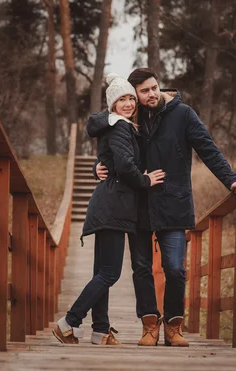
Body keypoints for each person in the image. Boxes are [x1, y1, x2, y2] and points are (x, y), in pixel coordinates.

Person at [94, 68, 236, 347]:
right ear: (135, 96)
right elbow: (110, 147)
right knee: (141, 268)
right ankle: (149, 325)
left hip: (174, 203)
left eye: (154, 88)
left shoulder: (183, 114)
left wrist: (232, 180)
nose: (151, 94)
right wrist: (98, 167)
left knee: (175, 269)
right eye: (144, 91)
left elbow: (207, 149)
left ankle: (174, 326)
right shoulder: (130, 118)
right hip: (138, 205)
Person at [52, 73, 165, 345]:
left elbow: (109, 160)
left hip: (108, 203)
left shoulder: (117, 126)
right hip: (114, 206)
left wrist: (98, 166)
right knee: (110, 273)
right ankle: (70, 321)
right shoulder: (120, 127)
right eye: (121, 99)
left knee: (102, 272)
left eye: (130, 98)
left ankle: (100, 330)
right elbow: (125, 166)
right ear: (111, 104)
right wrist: (146, 180)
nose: (127, 103)